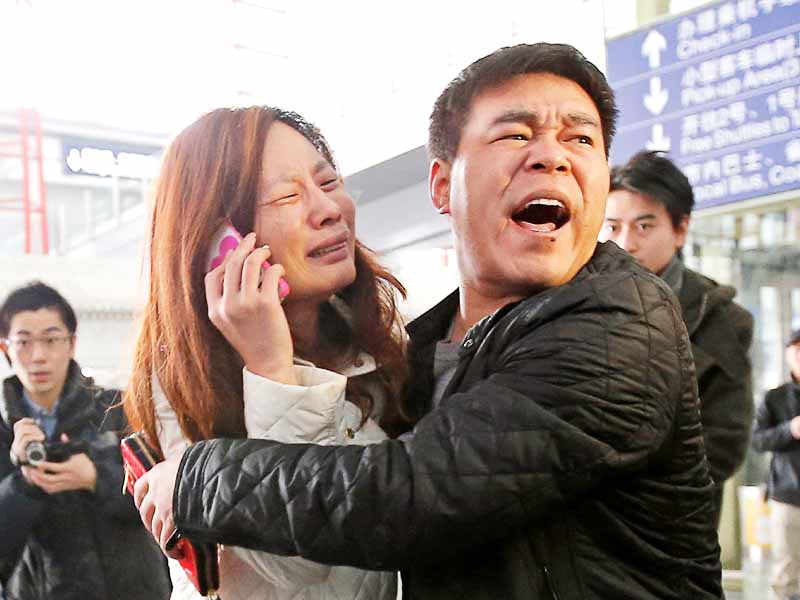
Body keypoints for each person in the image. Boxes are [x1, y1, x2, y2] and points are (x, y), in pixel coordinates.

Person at [134, 43, 723, 599]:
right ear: (442, 185)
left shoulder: (618, 325)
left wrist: (198, 475)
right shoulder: (413, 352)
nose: (552, 155)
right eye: (515, 134)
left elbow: (401, 499)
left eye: (581, 138)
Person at [123, 106, 403, 599]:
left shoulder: (376, 349)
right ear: (220, 244)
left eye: (329, 181)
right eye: (289, 195)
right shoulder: (185, 387)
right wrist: (271, 370)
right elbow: (301, 570)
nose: (329, 209)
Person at [599, 150, 754, 526]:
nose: (626, 242)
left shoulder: (723, 320)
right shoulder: (578, 306)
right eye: (613, 226)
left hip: (674, 530)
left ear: (680, 229)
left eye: (644, 226)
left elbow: (724, 442)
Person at [0, 281, 170, 600]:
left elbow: (166, 500)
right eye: (23, 342)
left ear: (72, 343)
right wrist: (22, 483)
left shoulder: (118, 408)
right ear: (5, 348)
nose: (38, 356)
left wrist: (96, 477)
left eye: (51, 340)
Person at [752, 329, 800, 600]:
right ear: (787, 355)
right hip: (787, 496)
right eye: (796, 349)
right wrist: (789, 430)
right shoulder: (775, 398)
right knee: (786, 576)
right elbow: (757, 441)